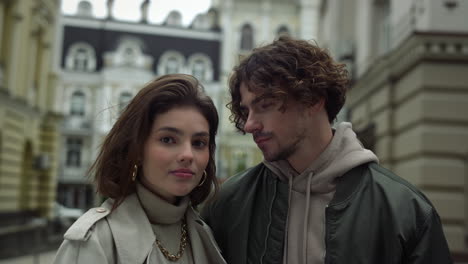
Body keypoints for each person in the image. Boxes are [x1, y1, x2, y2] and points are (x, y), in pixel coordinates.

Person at [201, 36, 453, 264]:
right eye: (246, 111)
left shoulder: (405, 211)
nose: (249, 124)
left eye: (265, 104)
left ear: (312, 99)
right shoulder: (228, 204)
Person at [54, 74, 226, 264]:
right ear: (136, 150)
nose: (188, 154)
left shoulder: (206, 236)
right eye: (168, 139)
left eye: (199, 143)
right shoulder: (95, 242)